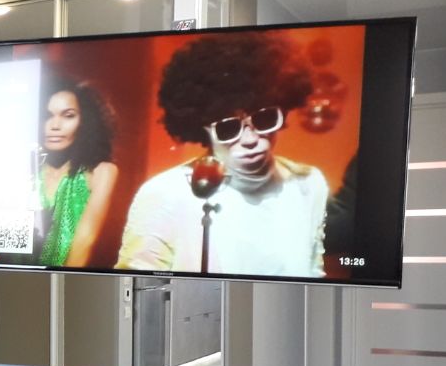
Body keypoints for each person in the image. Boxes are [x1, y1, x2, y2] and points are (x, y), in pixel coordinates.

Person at [115, 33, 329, 277]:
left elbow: (314, 273)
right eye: (229, 128)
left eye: (264, 119)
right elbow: (137, 285)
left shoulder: (308, 184)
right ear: (203, 130)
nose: (250, 139)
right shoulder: (165, 194)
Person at [34, 75, 119, 267]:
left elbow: (84, 243)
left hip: (67, 279)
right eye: (47, 116)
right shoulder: (24, 173)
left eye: (68, 115)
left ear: (85, 122)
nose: (55, 125)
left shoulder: (101, 172)